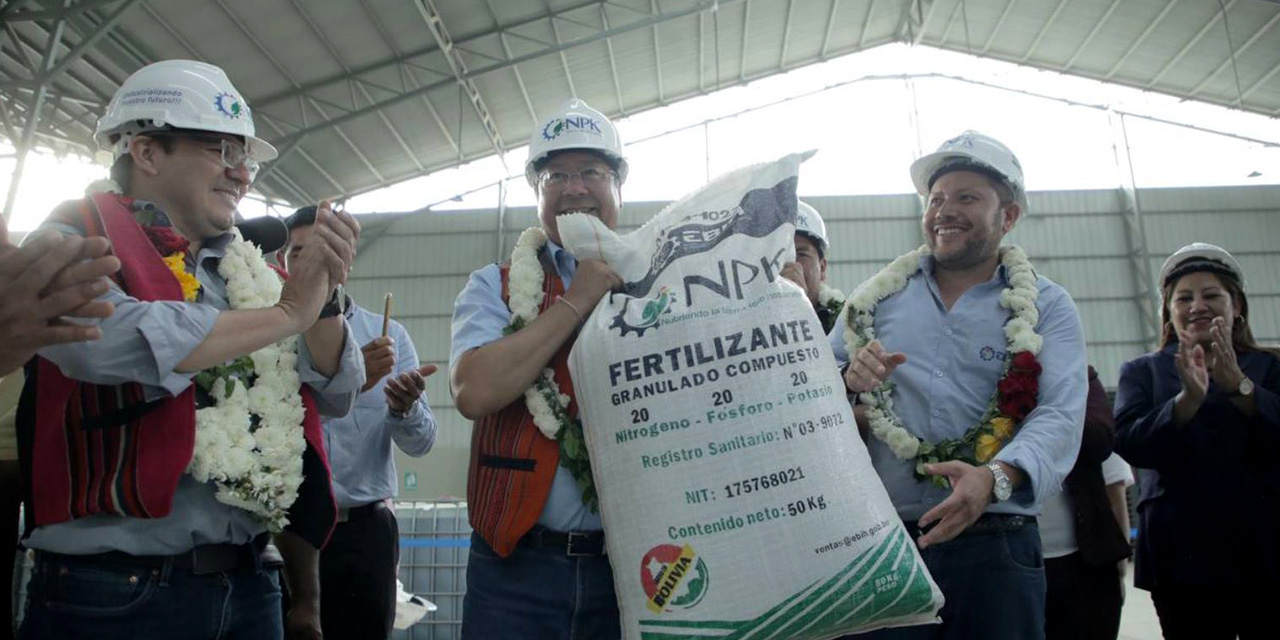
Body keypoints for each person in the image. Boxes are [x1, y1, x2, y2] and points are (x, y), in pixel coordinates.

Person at [15, 59, 365, 640]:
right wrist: (285, 314)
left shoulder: (246, 267)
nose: (241, 175)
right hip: (114, 593)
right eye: (221, 151)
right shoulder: (68, 236)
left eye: (244, 158)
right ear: (149, 153)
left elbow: (337, 392)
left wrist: (321, 300)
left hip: (251, 581)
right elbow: (103, 342)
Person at [831, 131, 1087, 639]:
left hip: (997, 544)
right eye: (937, 199)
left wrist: (994, 476)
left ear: (1007, 216)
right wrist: (847, 380)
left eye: (967, 198)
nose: (944, 211)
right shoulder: (873, 301)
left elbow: (1059, 413)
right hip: (889, 547)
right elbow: (810, 392)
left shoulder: (1049, 307)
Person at [450, 99, 626, 640]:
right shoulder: (494, 286)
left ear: (619, 181)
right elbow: (475, 391)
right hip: (514, 570)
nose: (574, 188)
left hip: (635, 567)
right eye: (556, 175)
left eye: (591, 171)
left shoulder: (659, 279)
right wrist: (576, 301)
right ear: (537, 192)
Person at [278, 206, 438, 640]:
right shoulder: (265, 331)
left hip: (363, 535)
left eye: (324, 252)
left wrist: (404, 408)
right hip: (283, 535)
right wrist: (345, 381)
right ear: (284, 261)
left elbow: (422, 444)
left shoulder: (388, 336)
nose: (311, 263)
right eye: (299, 252)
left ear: (345, 259)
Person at [1114, 242, 1278, 639]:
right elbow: (1130, 443)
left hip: (1267, 549)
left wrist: (1239, 387)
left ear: (1236, 305)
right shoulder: (1143, 372)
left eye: (1211, 295)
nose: (1197, 305)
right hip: (1181, 555)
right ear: (1169, 311)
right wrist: (1186, 401)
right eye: (1183, 298)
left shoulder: (1270, 366)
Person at [1041, 365, 1133, 640]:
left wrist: (1120, 562)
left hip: (1086, 557)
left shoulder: (1082, 388)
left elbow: (1114, 488)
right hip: (1024, 562)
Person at [781, 201, 844, 334]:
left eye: (801, 254)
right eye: (780, 254)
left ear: (822, 268)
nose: (791, 263)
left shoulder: (845, 325)